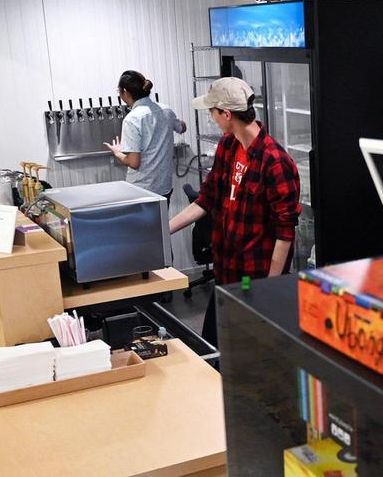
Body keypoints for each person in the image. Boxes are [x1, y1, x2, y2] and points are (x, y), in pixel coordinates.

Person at [168, 77, 301, 346]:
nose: (211, 118)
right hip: (226, 271)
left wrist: (270, 290)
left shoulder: (275, 161)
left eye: (212, 112)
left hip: (254, 280)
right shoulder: (228, 146)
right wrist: (161, 231)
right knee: (211, 352)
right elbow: (206, 200)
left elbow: (284, 233)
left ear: (226, 114)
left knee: (249, 359)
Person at [104, 70, 187, 200]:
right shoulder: (166, 110)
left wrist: (117, 153)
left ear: (125, 92)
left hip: (141, 190)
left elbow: (134, 163)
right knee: (160, 221)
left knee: (140, 221)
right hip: (164, 188)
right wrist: (179, 123)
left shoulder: (132, 119)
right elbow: (181, 128)